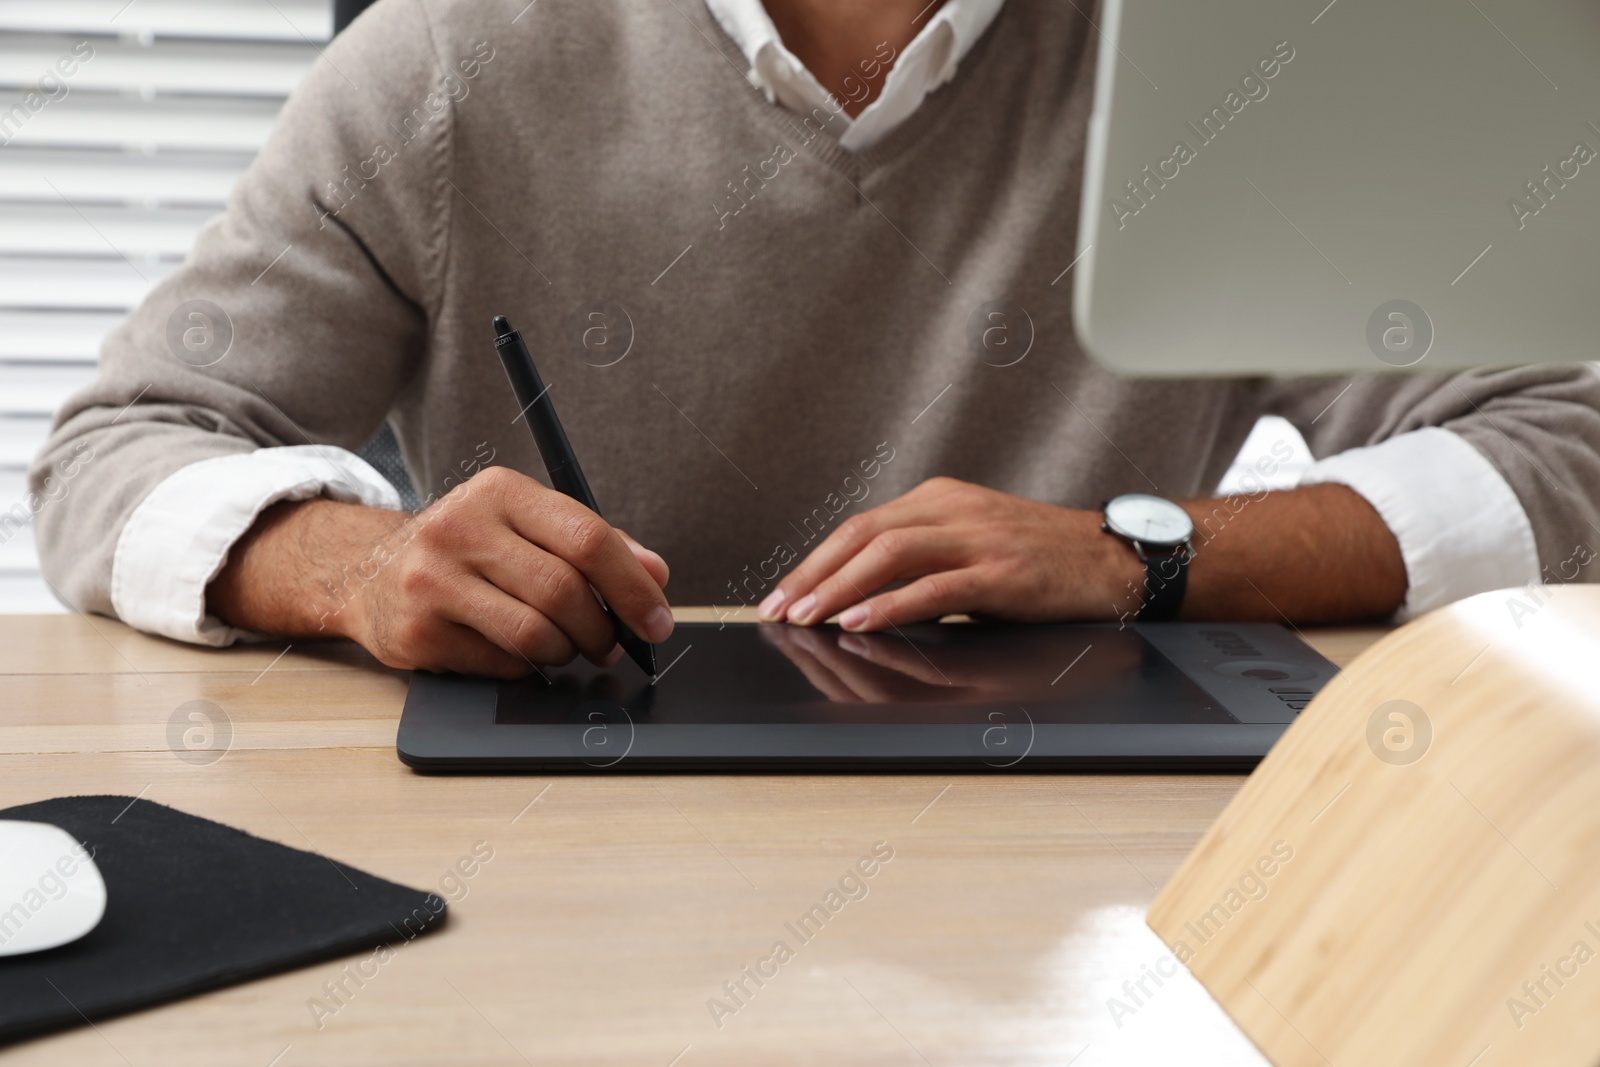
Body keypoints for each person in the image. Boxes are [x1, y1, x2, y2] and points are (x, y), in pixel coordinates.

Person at [28, 0, 1600, 678]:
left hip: (1060, 869)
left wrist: (1145, 556)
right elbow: (117, 450)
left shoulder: (1232, 75)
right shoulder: (449, 58)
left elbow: (1563, 450)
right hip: (549, 851)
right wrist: (363, 573)